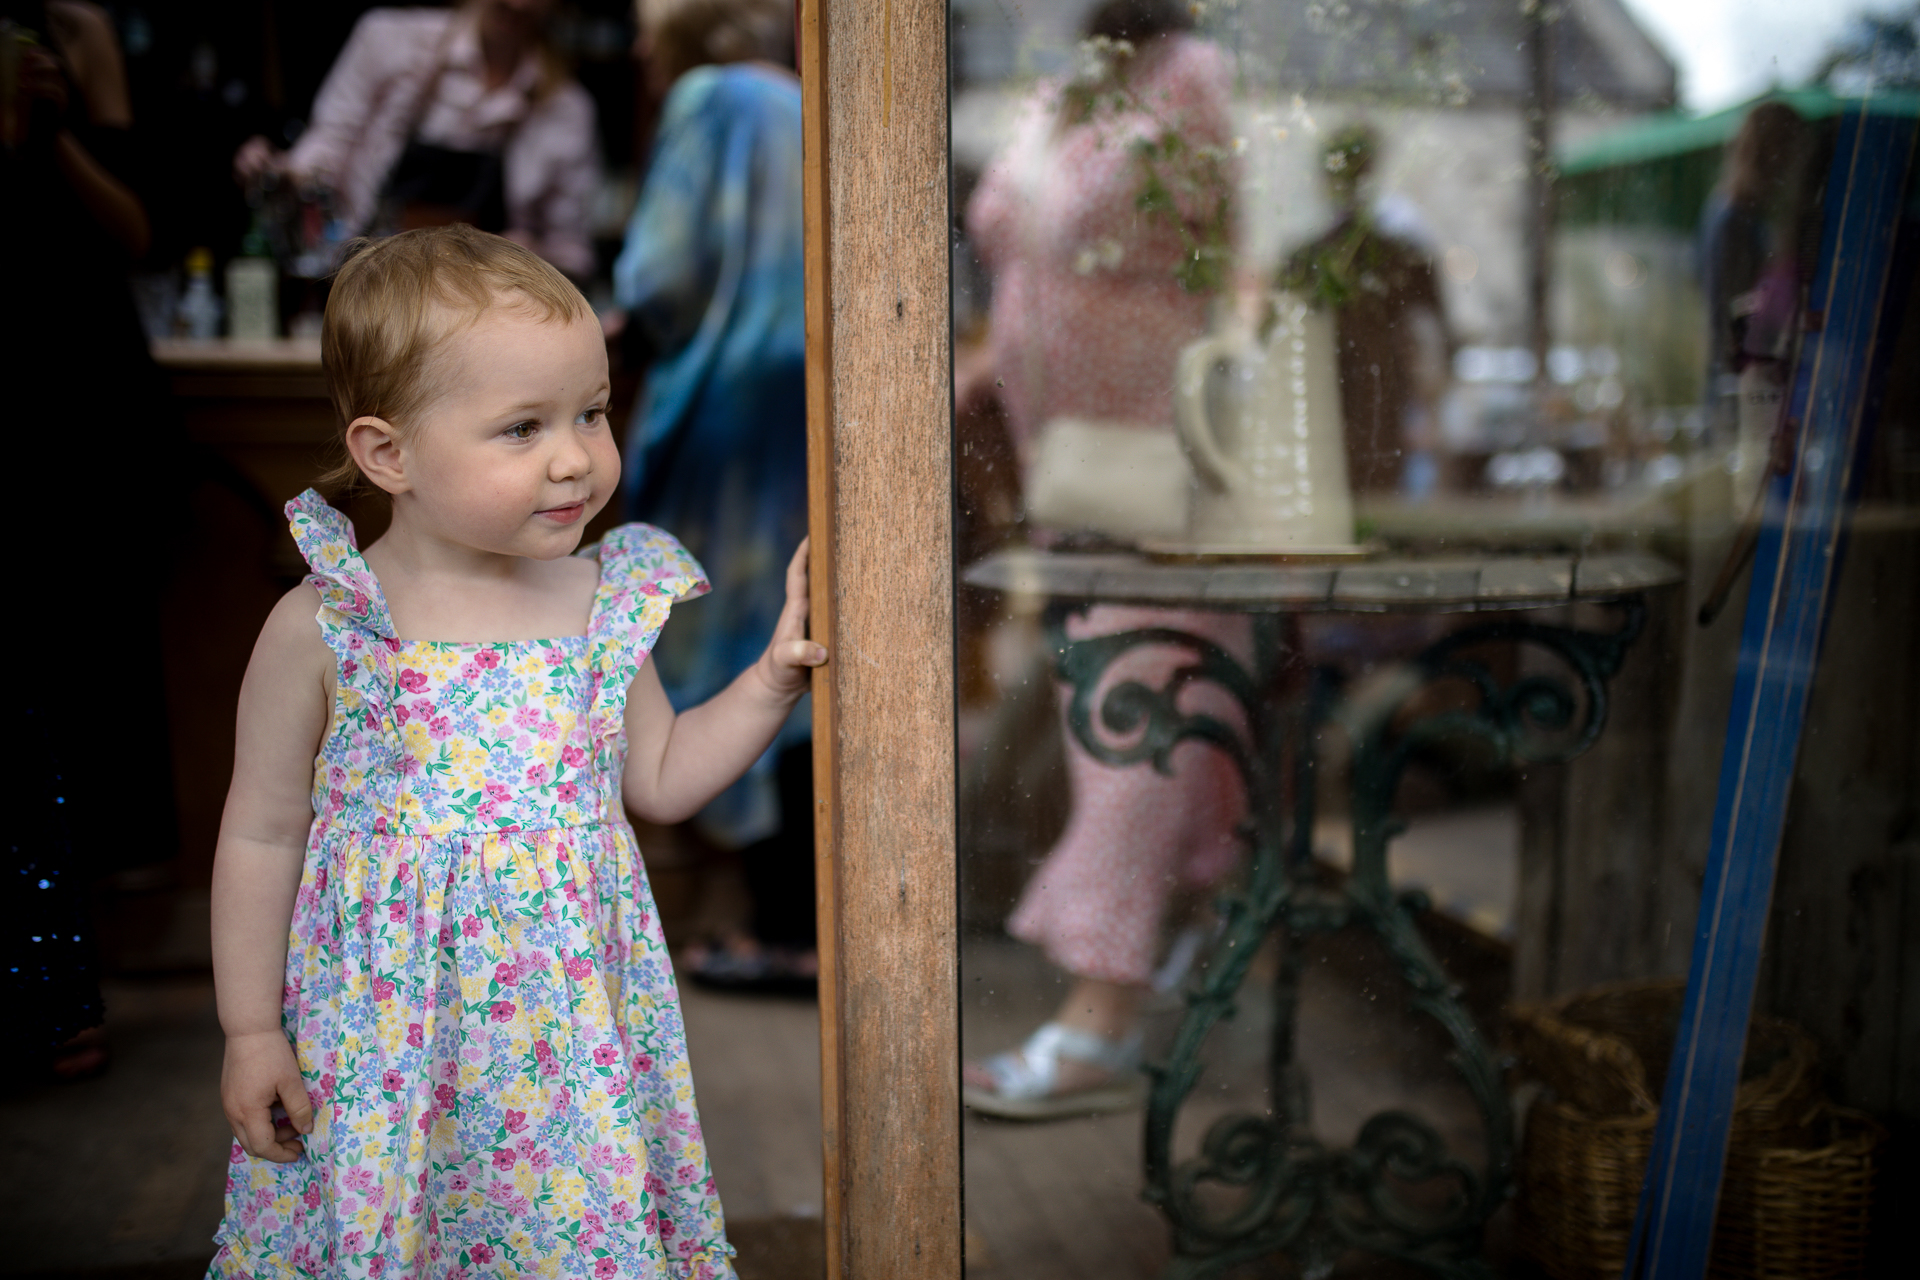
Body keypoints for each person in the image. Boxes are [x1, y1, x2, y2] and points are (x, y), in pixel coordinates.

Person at [206, 226, 826, 1278]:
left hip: (566, 1053)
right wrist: (249, 1030)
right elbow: (262, 834)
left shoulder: (602, 602)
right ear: (389, 454)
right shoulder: (330, 625)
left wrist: (770, 681)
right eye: (523, 427)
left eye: (592, 411)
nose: (575, 456)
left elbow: (662, 776)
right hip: (387, 1045)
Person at [958, 0, 1250, 1119]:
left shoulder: (1189, 77)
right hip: (1068, 467)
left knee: (1141, 711)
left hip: (1159, 457)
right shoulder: (1074, 84)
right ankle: (1171, 957)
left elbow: (1224, 252)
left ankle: (1104, 1016)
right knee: (1120, 712)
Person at [603, 0, 813, 990]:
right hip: (798, 404)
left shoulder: (705, 98)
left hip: (724, 412)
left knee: (717, 649)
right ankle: (802, 921)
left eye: (648, 22)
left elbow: (663, 273)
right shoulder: (800, 100)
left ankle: (768, 925)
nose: (639, 45)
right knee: (791, 637)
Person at [1, 0, 174, 1083]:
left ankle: (60, 991)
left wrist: (55, 128)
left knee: (59, 707)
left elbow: (136, 232)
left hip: (79, 416)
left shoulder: (69, 39)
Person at [232, 0, 599, 276]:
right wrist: (279, 171)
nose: (519, 4)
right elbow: (327, 146)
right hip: (368, 284)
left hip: (481, 310)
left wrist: (530, 253)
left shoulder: (566, 108)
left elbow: (573, 251)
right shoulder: (390, 40)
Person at [1280, 123, 1450, 496]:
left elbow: (1440, 338)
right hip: (1335, 396)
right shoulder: (1312, 257)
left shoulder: (1396, 255)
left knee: (1367, 490)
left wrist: (1432, 412)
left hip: (1378, 398)